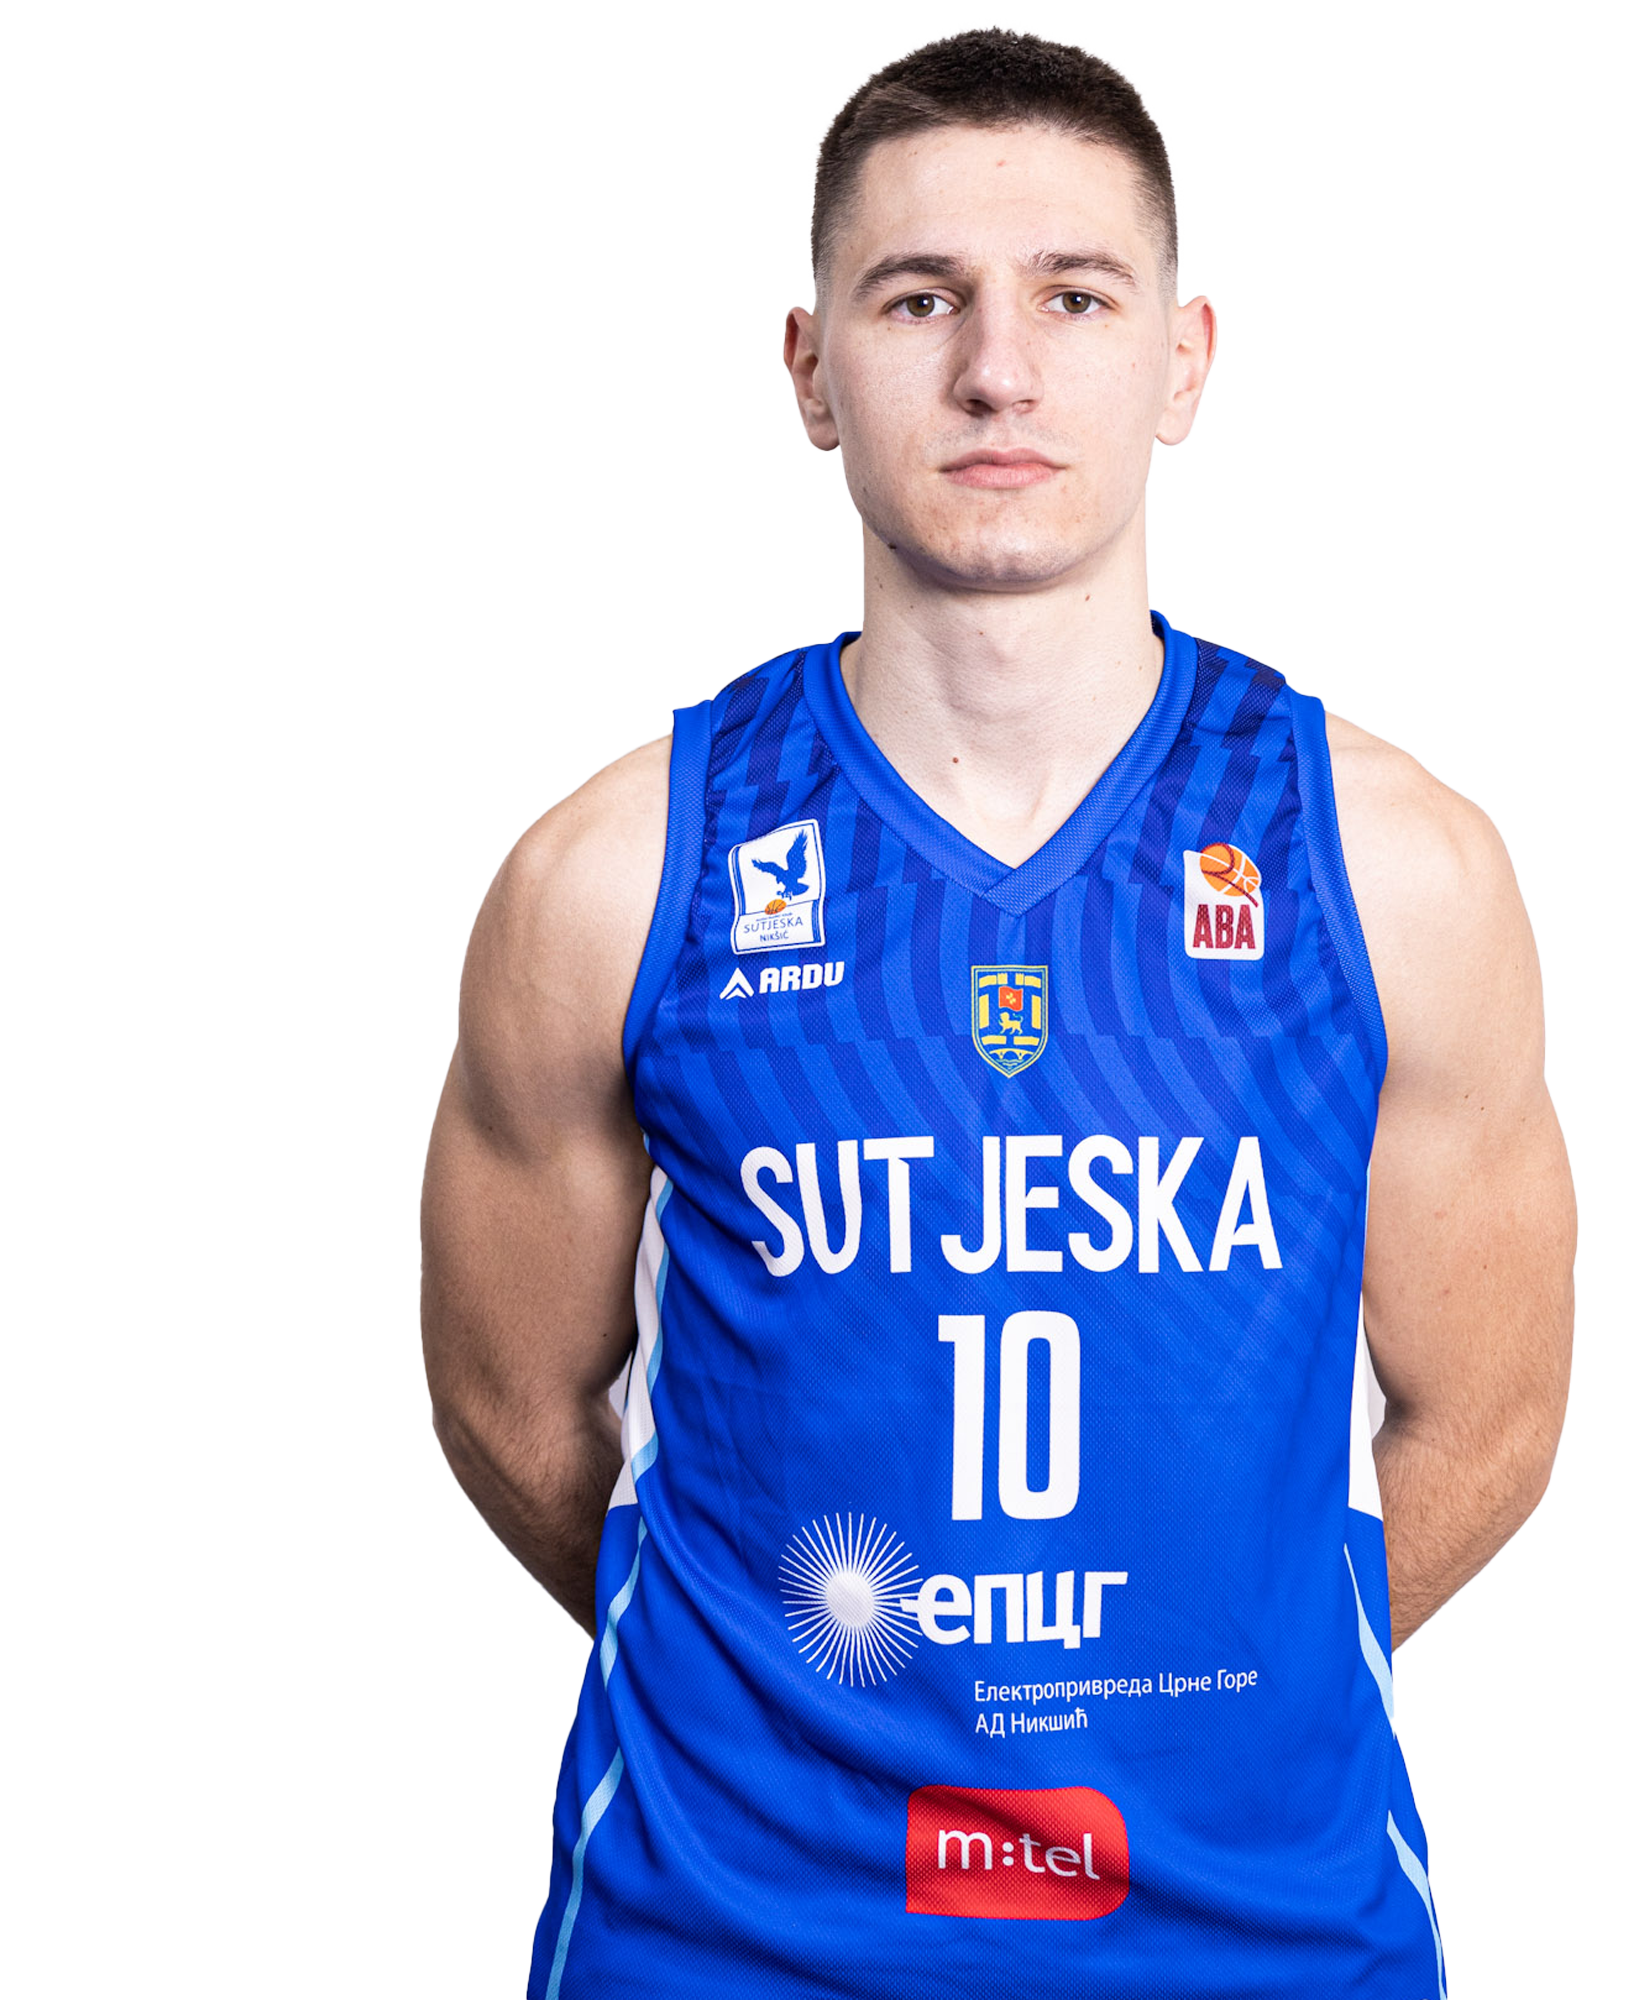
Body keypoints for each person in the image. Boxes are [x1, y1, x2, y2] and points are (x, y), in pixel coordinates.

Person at [421, 25, 1574, 1998]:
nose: (998, 370)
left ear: (1182, 361)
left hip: (1250, 1936)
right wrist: (767, 1689)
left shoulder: (1393, 873)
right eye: (919, 297)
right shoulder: (612, 878)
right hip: (729, 1937)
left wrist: (1229, 1684)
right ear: (813, 371)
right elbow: (508, 1400)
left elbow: (1495, 1410)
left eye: (1074, 296)